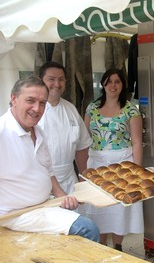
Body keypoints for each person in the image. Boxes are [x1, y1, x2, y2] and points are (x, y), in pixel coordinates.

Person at [0, 76, 99, 242]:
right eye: (30, 100)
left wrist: (62, 196)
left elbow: (48, 170)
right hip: (17, 213)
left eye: (42, 103)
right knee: (88, 229)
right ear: (14, 99)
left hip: (45, 204)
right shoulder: (3, 133)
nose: (36, 109)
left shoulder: (38, 131)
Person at [80, 68, 143, 251]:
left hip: (122, 163)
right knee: (99, 207)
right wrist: (83, 170)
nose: (112, 85)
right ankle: (100, 245)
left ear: (122, 85)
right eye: (109, 81)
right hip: (96, 163)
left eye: (117, 81)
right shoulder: (92, 108)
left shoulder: (131, 110)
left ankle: (117, 246)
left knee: (119, 208)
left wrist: (138, 172)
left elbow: (137, 142)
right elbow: (84, 140)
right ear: (103, 84)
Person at [38, 61, 92, 194]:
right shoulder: (33, 111)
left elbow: (82, 147)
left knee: (73, 214)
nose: (57, 84)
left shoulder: (70, 109)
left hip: (69, 179)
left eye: (61, 80)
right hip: (40, 181)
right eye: (51, 79)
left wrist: (83, 176)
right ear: (41, 80)